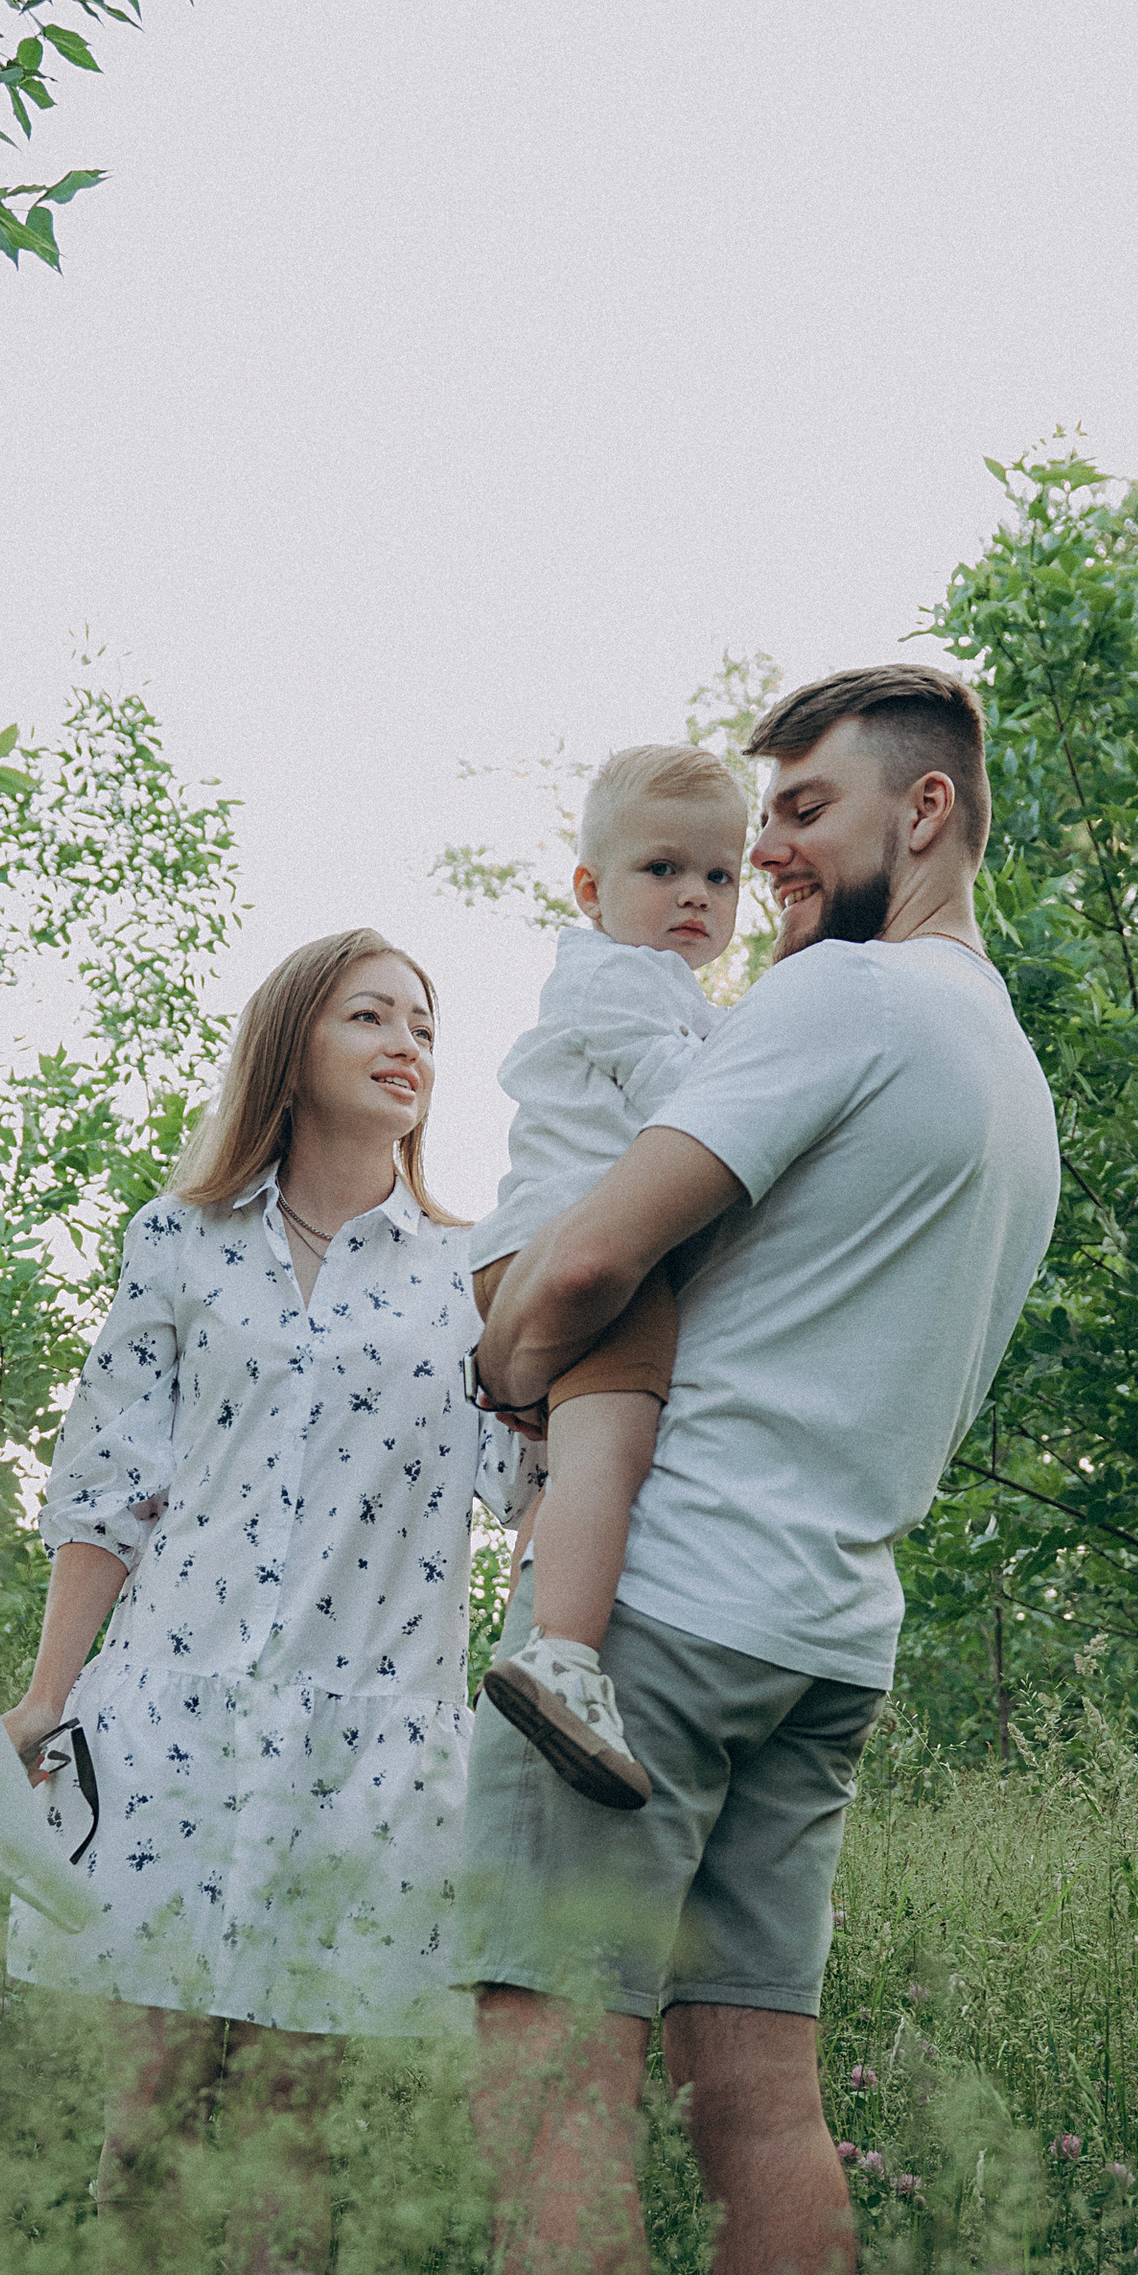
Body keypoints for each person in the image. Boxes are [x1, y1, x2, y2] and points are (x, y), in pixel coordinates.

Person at [462, 665, 1062, 2275]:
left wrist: (506, 1364)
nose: (769, 853)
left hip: (654, 1617)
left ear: (930, 815)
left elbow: (575, 1262)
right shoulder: (1005, 1071)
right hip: (828, 1635)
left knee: (550, 2086)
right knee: (765, 2117)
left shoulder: (838, 1002)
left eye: (804, 809)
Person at [1, 926, 528, 2275]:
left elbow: (528, 1483)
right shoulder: (175, 1243)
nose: (408, 1041)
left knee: (296, 2149)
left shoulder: (472, 1274)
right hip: (169, 1727)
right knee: (147, 2122)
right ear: (293, 1044)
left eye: (423, 1020)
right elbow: (107, 1489)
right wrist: (48, 1696)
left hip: (366, 1750)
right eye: (371, 1014)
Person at [466, 743, 745, 1810]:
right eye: (662, 870)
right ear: (589, 888)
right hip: (580, 1243)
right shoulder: (617, 977)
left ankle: (538, 1621)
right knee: (611, 1460)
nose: (695, 896)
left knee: (562, 1471)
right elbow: (688, 1096)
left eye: (720, 878)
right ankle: (567, 1657)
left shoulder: (650, 981)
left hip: (536, 1245)